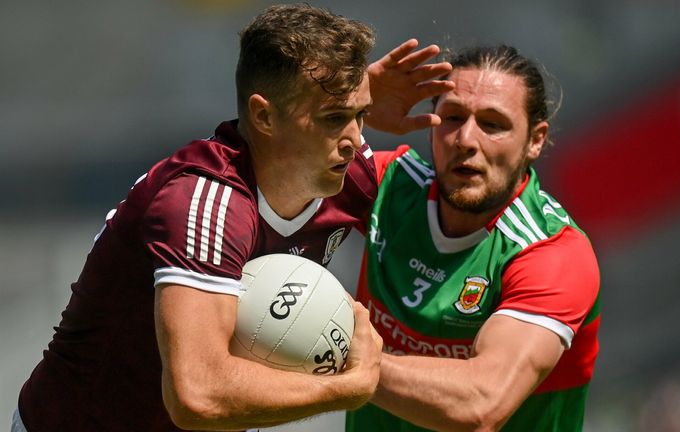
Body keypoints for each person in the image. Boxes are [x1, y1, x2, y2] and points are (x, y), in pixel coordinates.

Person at [14, 4, 455, 431]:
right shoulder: (201, 202)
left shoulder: (348, 169)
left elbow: (464, 203)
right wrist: (348, 387)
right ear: (264, 115)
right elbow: (198, 396)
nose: (356, 138)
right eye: (334, 118)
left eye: (361, 115)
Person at [346, 45, 601, 431]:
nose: (466, 139)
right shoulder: (387, 186)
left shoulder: (552, 252)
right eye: (452, 117)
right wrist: (347, 109)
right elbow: (265, 166)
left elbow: (481, 404)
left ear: (535, 140)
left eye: (493, 124)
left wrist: (334, 348)